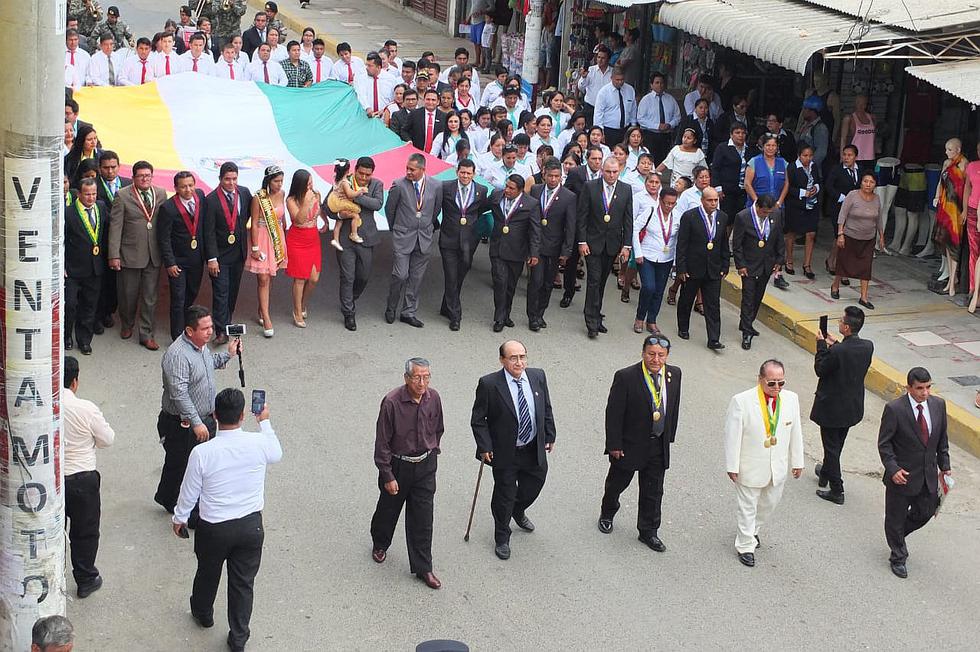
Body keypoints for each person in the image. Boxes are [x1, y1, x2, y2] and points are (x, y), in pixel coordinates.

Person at [173, 388, 281, 652]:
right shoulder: (258, 443)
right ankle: (239, 637)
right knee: (243, 583)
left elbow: (189, 491)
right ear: (243, 415)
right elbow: (276, 453)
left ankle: (203, 612)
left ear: (215, 416)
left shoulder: (203, 452)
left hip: (214, 528)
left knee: (207, 572)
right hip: (250, 526)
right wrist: (264, 420)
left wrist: (180, 518)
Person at [471, 340, 556, 559]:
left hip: (532, 447)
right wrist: (485, 445)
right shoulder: (489, 384)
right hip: (505, 451)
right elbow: (478, 420)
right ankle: (502, 536)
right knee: (504, 495)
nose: (519, 362)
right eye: (513, 358)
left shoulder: (538, 377)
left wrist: (549, 433)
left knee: (534, 485)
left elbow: (545, 407)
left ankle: (517, 509)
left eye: (522, 357)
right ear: (502, 360)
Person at [598, 334, 681, 552]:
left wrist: (668, 436)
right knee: (617, 483)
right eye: (651, 354)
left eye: (661, 355)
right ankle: (608, 512)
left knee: (653, 491)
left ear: (667, 356)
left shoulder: (674, 374)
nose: (656, 359)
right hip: (629, 444)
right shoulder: (626, 377)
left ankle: (648, 531)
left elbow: (673, 407)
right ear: (643, 353)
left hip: (657, 444)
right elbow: (614, 413)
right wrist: (614, 444)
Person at [155, 304, 240, 514]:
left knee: (188, 465)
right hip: (182, 424)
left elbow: (207, 365)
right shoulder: (177, 355)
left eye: (211, 326)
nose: (210, 331)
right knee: (181, 465)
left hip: (203, 419)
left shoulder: (201, 346)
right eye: (205, 328)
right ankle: (178, 505)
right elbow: (179, 393)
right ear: (190, 330)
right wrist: (196, 422)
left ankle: (173, 499)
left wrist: (228, 355)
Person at [370, 358, 445, 590]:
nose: (422, 382)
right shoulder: (392, 402)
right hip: (398, 466)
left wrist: (432, 452)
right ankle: (380, 543)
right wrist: (387, 474)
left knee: (423, 518)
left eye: (426, 377)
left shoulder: (434, 398)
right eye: (417, 377)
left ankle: (424, 567)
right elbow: (382, 442)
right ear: (406, 378)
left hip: (425, 465)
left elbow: (438, 428)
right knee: (388, 509)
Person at [723, 360, 804, 567]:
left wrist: (798, 461)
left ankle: (753, 530)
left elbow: (796, 432)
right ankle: (745, 545)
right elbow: (732, 435)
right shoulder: (742, 401)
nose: (777, 388)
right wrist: (732, 465)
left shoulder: (791, 399)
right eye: (771, 383)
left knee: (769, 503)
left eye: (781, 383)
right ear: (760, 380)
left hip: (777, 466)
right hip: (750, 465)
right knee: (747, 506)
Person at [877, 367, 952, 579]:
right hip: (901, 476)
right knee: (895, 517)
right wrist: (892, 469)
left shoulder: (938, 405)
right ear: (909, 387)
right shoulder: (895, 409)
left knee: (927, 511)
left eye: (928, 387)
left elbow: (941, 438)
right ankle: (898, 556)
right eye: (920, 388)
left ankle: (897, 535)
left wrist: (944, 464)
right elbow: (884, 444)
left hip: (927, 475)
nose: (925, 392)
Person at [63, 355, 115, 598]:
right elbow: (107, 439)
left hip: (54, 479)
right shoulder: (86, 409)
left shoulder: (44, 406)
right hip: (83, 478)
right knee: (85, 532)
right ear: (75, 381)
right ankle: (85, 578)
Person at [811, 305, 873, 503]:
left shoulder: (837, 351)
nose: (838, 323)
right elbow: (847, 355)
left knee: (831, 447)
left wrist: (821, 345)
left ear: (846, 327)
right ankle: (826, 473)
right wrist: (835, 343)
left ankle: (837, 490)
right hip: (851, 406)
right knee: (837, 443)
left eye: (841, 321)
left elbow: (821, 368)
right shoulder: (867, 346)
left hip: (832, 408)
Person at [108, 160, 166, 350]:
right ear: (133, 178)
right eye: (141, 176)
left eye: (148, 175)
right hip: (130, 254)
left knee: (150, 297)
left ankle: (146, 333)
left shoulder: (160, 193)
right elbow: (115, 228)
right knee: (128, 295)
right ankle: (127, 323)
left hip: (153, 254)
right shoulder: (122, 196)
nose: (144, 179)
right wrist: (113, 255)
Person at [323, 156, 384, 331]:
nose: (364, 178)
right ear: (355, 170)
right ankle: (348, 312)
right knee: (347, 277)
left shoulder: (376, 185)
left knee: (363, 276)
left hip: (366, 237)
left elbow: (377, 204)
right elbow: (328, 206)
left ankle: (350, 298)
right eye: (361, 174)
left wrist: (354, 197)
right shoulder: (343, 181)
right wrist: (340, 215)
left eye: (368, 175)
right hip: (344, 237)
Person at [385, 153, 443, 327]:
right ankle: (391, 306)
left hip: (424, 237)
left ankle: (408, 312)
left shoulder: (436, 185)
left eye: (412, 169)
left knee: (416, 278)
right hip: (403, 236)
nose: (408, 172)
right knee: (400, 275)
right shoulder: (399, 185)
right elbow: (390, 210)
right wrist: (396, 229)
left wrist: (427, 226)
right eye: (407, 168)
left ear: (423, 169)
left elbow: (436, 210)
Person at [577, 157, 633, 338]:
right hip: (592, 243)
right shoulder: (590, 186)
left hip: (612, 245)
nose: (611, 175)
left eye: (615, 172)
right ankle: (591, 321)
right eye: (608, 171)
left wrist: (626, 246)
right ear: (602, 170)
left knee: (601, 281)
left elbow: (628, 219)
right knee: (593, 280)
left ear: (620, 171)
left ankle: (597, 314)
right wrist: (582, 241)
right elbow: (582, 216)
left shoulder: (626, 189)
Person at [438, 158, 494, 331]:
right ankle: (456, 315)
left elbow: (481, 210)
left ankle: (445, 307)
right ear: (457, 172)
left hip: (469, 241)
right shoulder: (446, 187)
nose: (465, 176)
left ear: (474, 174)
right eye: (462, 172)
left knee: (460, 274)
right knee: (451, 275)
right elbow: (437, 208)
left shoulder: (481, 190)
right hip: (448, 238)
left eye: (469, 173)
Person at [203, 162, 253, 345]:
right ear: (220, 179)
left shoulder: (245, 193)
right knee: (221, 293)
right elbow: (208, 232)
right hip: (220, 256)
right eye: (227, 179)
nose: (231, 183)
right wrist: (212, 258)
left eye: (234, 179)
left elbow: (246, 217)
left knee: (232, 291)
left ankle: (227, 321)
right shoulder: (211, 200)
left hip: (238, 253)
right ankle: (221, 331)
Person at [157, 171, 208, 342]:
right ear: (176, 188)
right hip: (178, 262)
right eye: (183, 186)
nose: (188, 189)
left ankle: (187, 325)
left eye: (190, 185)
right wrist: (170, 263)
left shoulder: (200, 196)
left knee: (192, 293)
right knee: (178, 298)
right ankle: (177, 336)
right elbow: (164, 238)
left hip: (196, 259)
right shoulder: (169, 207)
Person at [675, 187, 729, 349]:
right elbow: (682, 244)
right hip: (693, 268)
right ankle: (683, 327)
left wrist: (725, 265)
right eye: (710, 200)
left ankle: (713, 338)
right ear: (702, 200)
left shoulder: (722, 217)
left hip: (713, 269)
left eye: (715, 200)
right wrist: (681, 268)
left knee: (713, 305)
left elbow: (723, 244)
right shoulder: (690, 217)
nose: (713, 203)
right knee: (686, 299)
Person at [527, 158, 576, 331]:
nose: (553, 179)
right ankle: (532, 315)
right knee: (536, 280)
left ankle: (541, 312)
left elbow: (570, 226)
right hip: (536, 244)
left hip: (555, 246)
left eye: (557, 176)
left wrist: (566, 250)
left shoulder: (568, 197)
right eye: (550, 176)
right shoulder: (535, 190)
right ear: (544, 174)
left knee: (548, 282)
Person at [488, 175, 541, 331]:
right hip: (497, 248)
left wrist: (534, 253)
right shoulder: (496, 196)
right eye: (506, 186)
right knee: (500, 282)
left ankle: (506, 314)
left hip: (517, 251)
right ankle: (499, 318)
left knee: (511, 285)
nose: (507, 190)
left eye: (511, 188)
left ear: (520, 190)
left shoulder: (531, 204)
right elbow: (481, 208)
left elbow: (535, 230)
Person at [732, 195, 784, 350]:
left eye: (769, 212)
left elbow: (778, 237)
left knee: (757, 297)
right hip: (749, 265)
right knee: (748, 298)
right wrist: (740, 264)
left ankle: (746, 323)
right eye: (764, 212)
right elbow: (737, 244)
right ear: (758, 207)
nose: (767, 215)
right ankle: (747, 332)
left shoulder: (775, 214)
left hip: (766, 264)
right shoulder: (743, 217)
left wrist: (779, 260)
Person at [64, 178, 108, 355]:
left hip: (95, 267)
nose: (91, 198)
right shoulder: (68, 213)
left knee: (90, 305)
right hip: (73, 268)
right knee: (71, 304)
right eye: (87, 194)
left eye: (93, 194)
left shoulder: (101, 207)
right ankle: (67, 336)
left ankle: (84, 340)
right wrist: (63, 266)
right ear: (79, 194)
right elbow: (62, 241)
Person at [831, 171, 884, 309]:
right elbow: (842, 214)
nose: (868, 184)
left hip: (868, 238)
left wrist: (881, 236)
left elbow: (879, 219)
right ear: (861, 182)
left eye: (871, 182)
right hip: (850, 235)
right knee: (843, 263)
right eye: (865, 181)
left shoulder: (877, 199)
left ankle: (864, 297)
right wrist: (840, 233)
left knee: (866, 267)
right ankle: (835, 286)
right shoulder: (852, 195)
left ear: (875, 185)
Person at [246, 166, 288, 337]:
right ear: (268, 181)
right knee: (263, 278)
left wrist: (283, 225)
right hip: (261, 238)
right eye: (276, 181)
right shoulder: (258, 198)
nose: (279, 185)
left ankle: (261, 309)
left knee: (270, 275)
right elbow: (254, 222)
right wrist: (255, 247)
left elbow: (281, 214)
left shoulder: (282, 194)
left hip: (276, 237)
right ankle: (267, 317)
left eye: (281, 181)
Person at [284, 169, 322, 328]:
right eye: (307, 184)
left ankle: (303, 303)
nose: (310, 186)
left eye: (311, 182)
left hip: (313, 237)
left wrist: (325, 221)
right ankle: (297, 311)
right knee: (300, 278)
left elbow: (318, 212)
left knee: (314, 278)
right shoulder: (291, 199)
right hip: (297, 239)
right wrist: (306, 202)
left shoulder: (316, 194)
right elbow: (298, 219)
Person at [95, 151, 128, 331]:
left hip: (124, 241)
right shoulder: (93, 186)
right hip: (100, 241)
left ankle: (110, 311)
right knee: (102, 280)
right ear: (100, 169)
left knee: (117, 282)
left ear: (119, 166)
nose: (110, 171)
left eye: (113, 167)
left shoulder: (128, 184)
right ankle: (100, 315)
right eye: (106, 168)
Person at [784, 145, 822, 279]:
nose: (808, 158)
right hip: (796, 205)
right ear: (799, 155)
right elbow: (788, 188)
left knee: (811, 233)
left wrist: (815, 189)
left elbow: (818, 181)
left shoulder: (814, 166)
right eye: (805, 156)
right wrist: (803, 192)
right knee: (792, 233)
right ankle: (789, 260)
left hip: (812, 204)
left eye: (810, 156)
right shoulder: (792, 167)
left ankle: (807, 264)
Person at [823, 145, 861, 277]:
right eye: (844, 154)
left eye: (849, 155)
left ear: (855, 156)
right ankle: (833, 262)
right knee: (838, 236)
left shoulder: (859, 170)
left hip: (854, 210)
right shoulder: (837, 169)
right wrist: (842, 197)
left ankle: (836, 262)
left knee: (848, 237)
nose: (846, 157)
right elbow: (828, 185)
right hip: (838, 207)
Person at [637, 72, 682, 165]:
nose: (660, 85)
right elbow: (640, 119)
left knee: (662, 161)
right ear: (651, 85)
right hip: (650, 135)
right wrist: (657, 126)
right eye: (657, 83)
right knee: (649, 160)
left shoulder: (670, 99)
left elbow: (677, 116)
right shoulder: (646, 100)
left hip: (666, 136)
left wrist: (670, 124)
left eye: (661, 83)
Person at [592, 67, 635, 148]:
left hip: (625, 129)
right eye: (617, 80)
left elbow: (633, 110)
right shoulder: (604, 92)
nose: (620, 82)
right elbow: (598, 113)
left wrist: (633, 127)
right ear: (611, 78)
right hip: (609, 130)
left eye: (622, 79)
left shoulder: (630, 90)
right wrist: (600, 132)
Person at [327, 159, 364, 251]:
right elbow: (350, 194)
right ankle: (354, 234)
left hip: (333, 200)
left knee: (339, 220)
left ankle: (336, 239)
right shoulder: (344, 183)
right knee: (356, 214)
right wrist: (360, 191)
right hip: (341, 201)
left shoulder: (336, 177)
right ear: (347, 170)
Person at [576, 46, 612, 122]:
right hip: (590, 107)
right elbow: (581, 87)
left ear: (608, 59)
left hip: (606, 109)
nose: (600, 60)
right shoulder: (590, 70)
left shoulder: (613, 72)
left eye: (603, 58)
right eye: (598, 57)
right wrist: (584, 77)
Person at [839, 94, 876, 169]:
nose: (861, 106)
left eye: (863, 104)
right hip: (855, 156)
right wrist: (842, 156)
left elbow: (874, 137)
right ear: (855, 103)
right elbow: (843, 139)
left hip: (870, 157)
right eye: (858, 103)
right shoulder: (849, 118)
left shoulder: (872, 117)